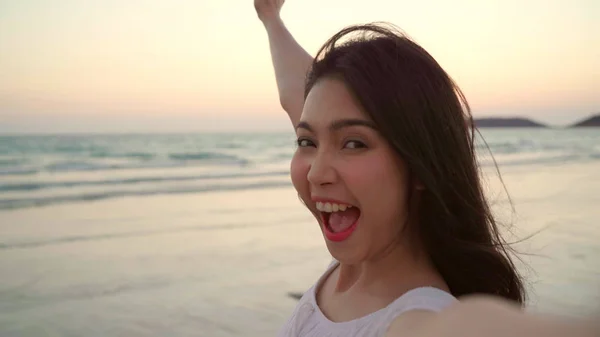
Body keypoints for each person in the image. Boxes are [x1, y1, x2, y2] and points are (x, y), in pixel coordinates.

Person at [253, 1, 599, 336]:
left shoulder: (419, 317)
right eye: (306, 142)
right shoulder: (355, 268)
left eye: (354, 143)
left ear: (419, 163)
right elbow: (294, 91)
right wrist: (271, 17)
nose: (316, 173)